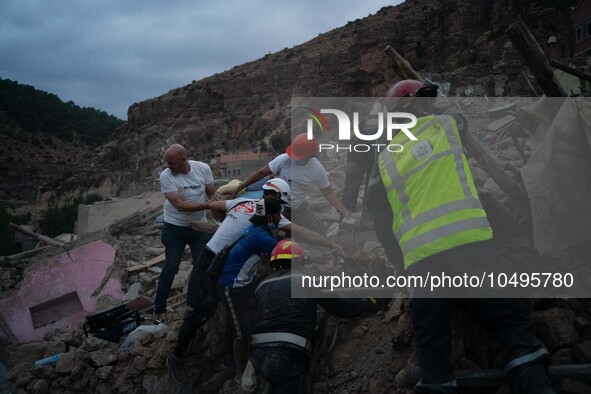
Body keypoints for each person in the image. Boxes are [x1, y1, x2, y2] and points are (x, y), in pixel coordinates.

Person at [366, 80, 553, 394]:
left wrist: (402, 264)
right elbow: (457, 115)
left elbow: (381, 219)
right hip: (467, 239)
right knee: (507, 316)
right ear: (417, 106)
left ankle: (439, 382)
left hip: (420, 255)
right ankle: (530, 376)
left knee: (431, 334)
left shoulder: (385, 158)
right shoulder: (446, 125)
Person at [167, 179, 344, 385]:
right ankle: (177, 357)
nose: (281, 215)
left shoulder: (246, 204)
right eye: (280, 209)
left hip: (220, 259)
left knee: (240, 308)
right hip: (213, 264)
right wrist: (328, 248)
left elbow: (213, 205)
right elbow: (294, 240)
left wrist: (226, 222)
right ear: (274, 201)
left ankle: (231, 360)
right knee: (202, 312)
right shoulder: (268, 218)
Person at [249, 239, 378, 393]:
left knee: (277, 383)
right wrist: (368, 302)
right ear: (298, 262)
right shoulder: (305, 280)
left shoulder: (261, 286)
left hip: (258, 353)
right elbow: (342, 309)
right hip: (289, 352)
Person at [231, 133, 350, 235]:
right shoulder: (284, 159)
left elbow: (328, 192)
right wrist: (241, 186)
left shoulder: (317, 169)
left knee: (318, 234)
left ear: (310, 155)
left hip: (299, 209)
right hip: (277, 208)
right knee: (263, 232)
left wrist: (343, 210)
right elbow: (262, 173)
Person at [154, 144, 216, 315]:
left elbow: (211, 192)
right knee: (172, 266)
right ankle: (159, 307)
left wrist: (216, 202)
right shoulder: (166, 176)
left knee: (201, 265)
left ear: (184, 159)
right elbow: (180, 205)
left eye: (172, 162)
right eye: (167, 162)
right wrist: (207, 205)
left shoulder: (202, 169)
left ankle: (192, 304)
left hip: (199, 226)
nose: (169, 166)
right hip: (175, 227)